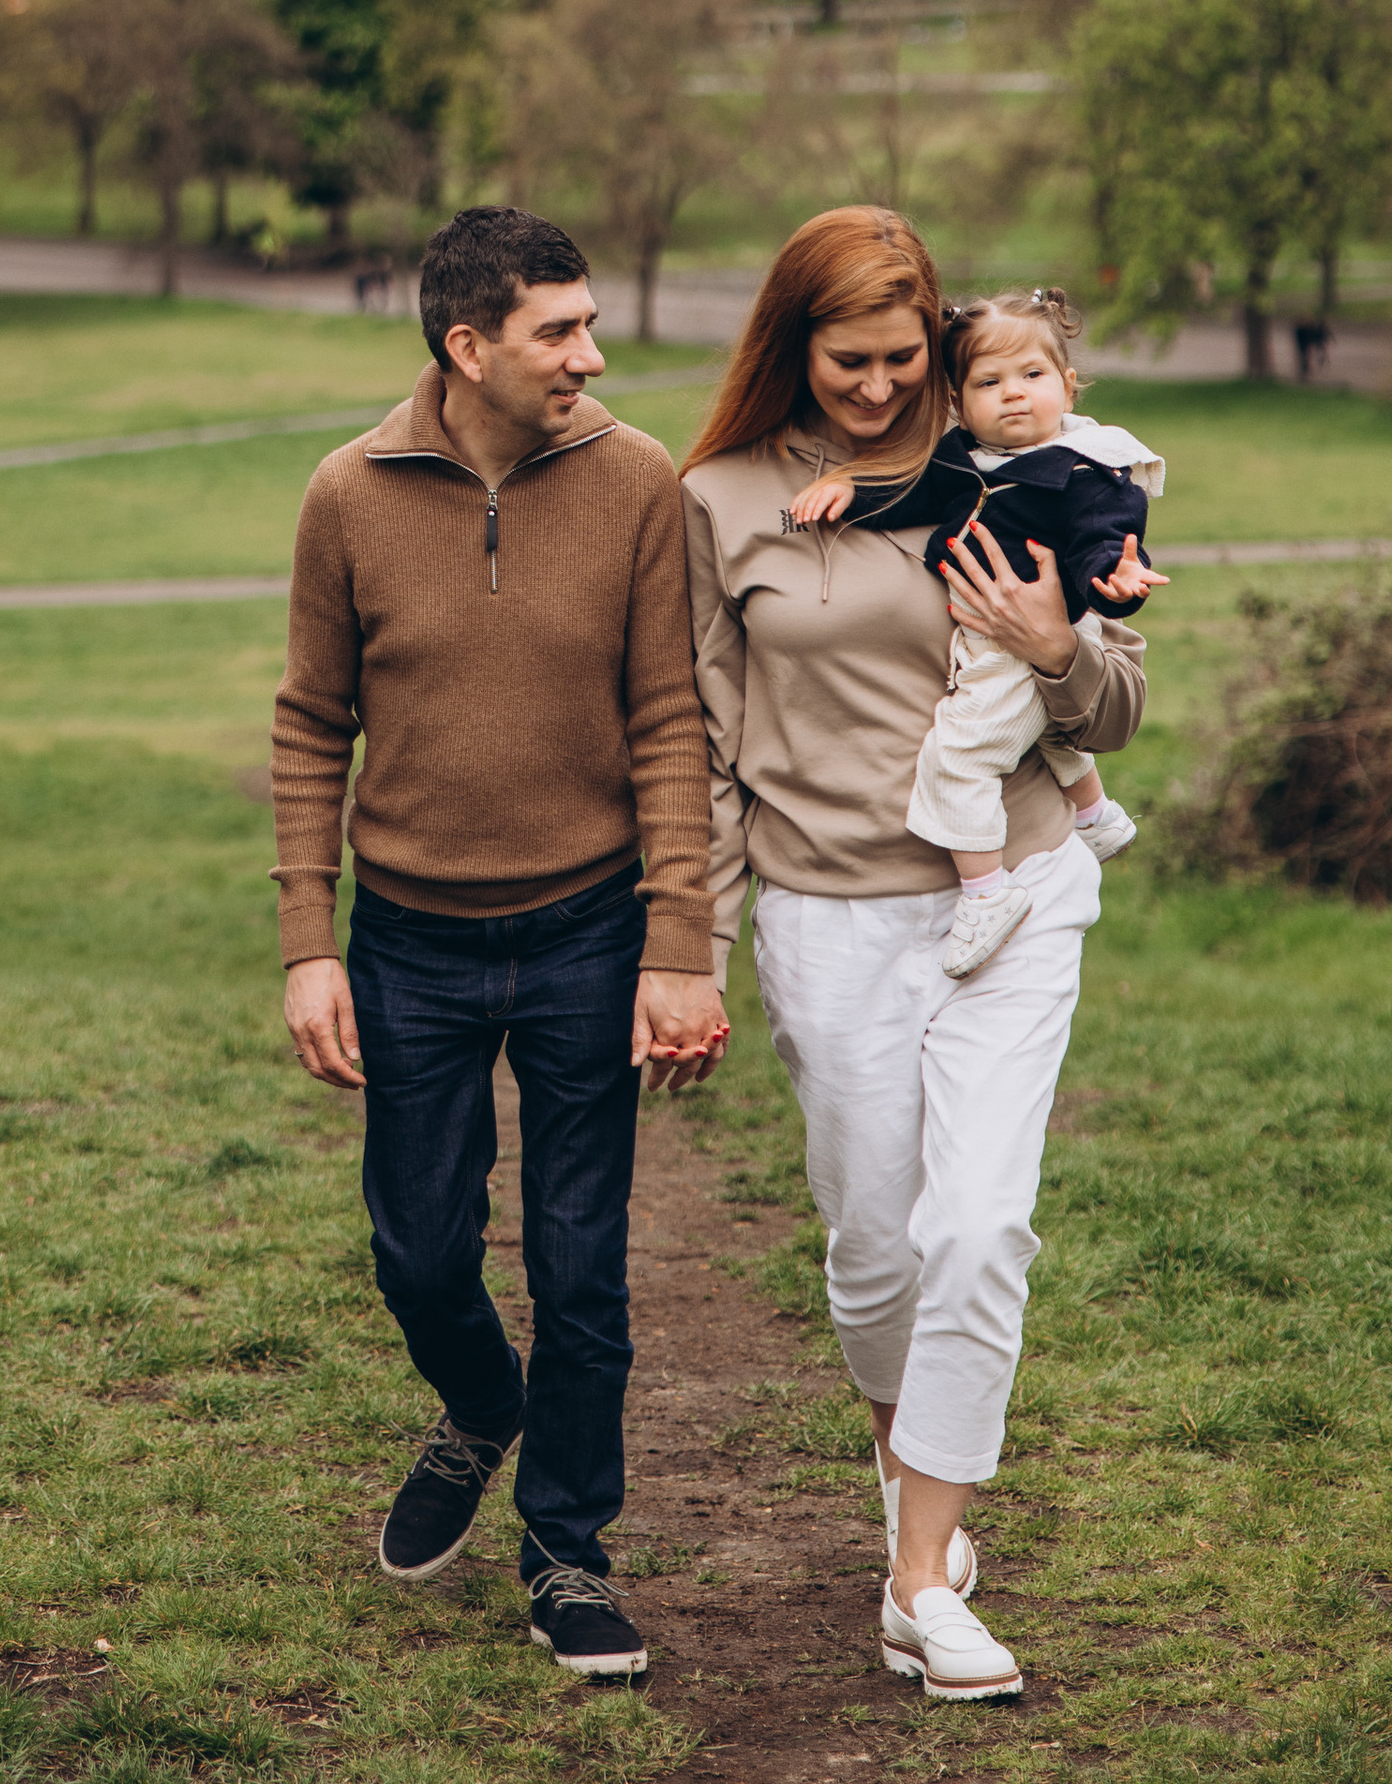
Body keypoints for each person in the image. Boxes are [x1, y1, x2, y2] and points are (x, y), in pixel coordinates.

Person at [684, 206, 1147, 1706]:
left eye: (905, 358)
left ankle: (923, 1579)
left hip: (1017, 887)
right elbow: (701, 748)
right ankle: (909, 1480)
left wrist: (1060, 646)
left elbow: (1117, 704)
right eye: (850, 361)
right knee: (878, 1246)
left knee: (981, 1226)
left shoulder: (1019, 461)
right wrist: (692, 946)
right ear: (793, 349)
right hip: (829, 914)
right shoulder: (720, 501)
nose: (883, 389)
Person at [271, 203, 729, 1684]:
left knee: (582, 1267)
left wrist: (678, 937)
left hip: (590, 927)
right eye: (560, 330)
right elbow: (310, 722)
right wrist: (307, 940)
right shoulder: (347, 493)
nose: (591, 355)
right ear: (469, 346)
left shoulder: (637, 480)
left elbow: (669, 717)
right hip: (407, 941)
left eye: (588, 324)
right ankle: (481, 1404)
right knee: (417, 1253)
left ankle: (567, 1550)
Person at [784, 288, 1161, 974]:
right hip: (989, 637)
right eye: (990, 382)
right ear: (958, 400)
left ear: (1068, 384)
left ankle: (986, 892)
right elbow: (911, 495)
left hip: (1030, 638)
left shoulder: (1088, 470)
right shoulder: (969, 458)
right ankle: (1096, 817)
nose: (1014, 393)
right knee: (1042, 733)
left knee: (960, 755)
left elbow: (1102, 541)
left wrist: (1117, 577)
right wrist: (850, 492)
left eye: (1032, 375)